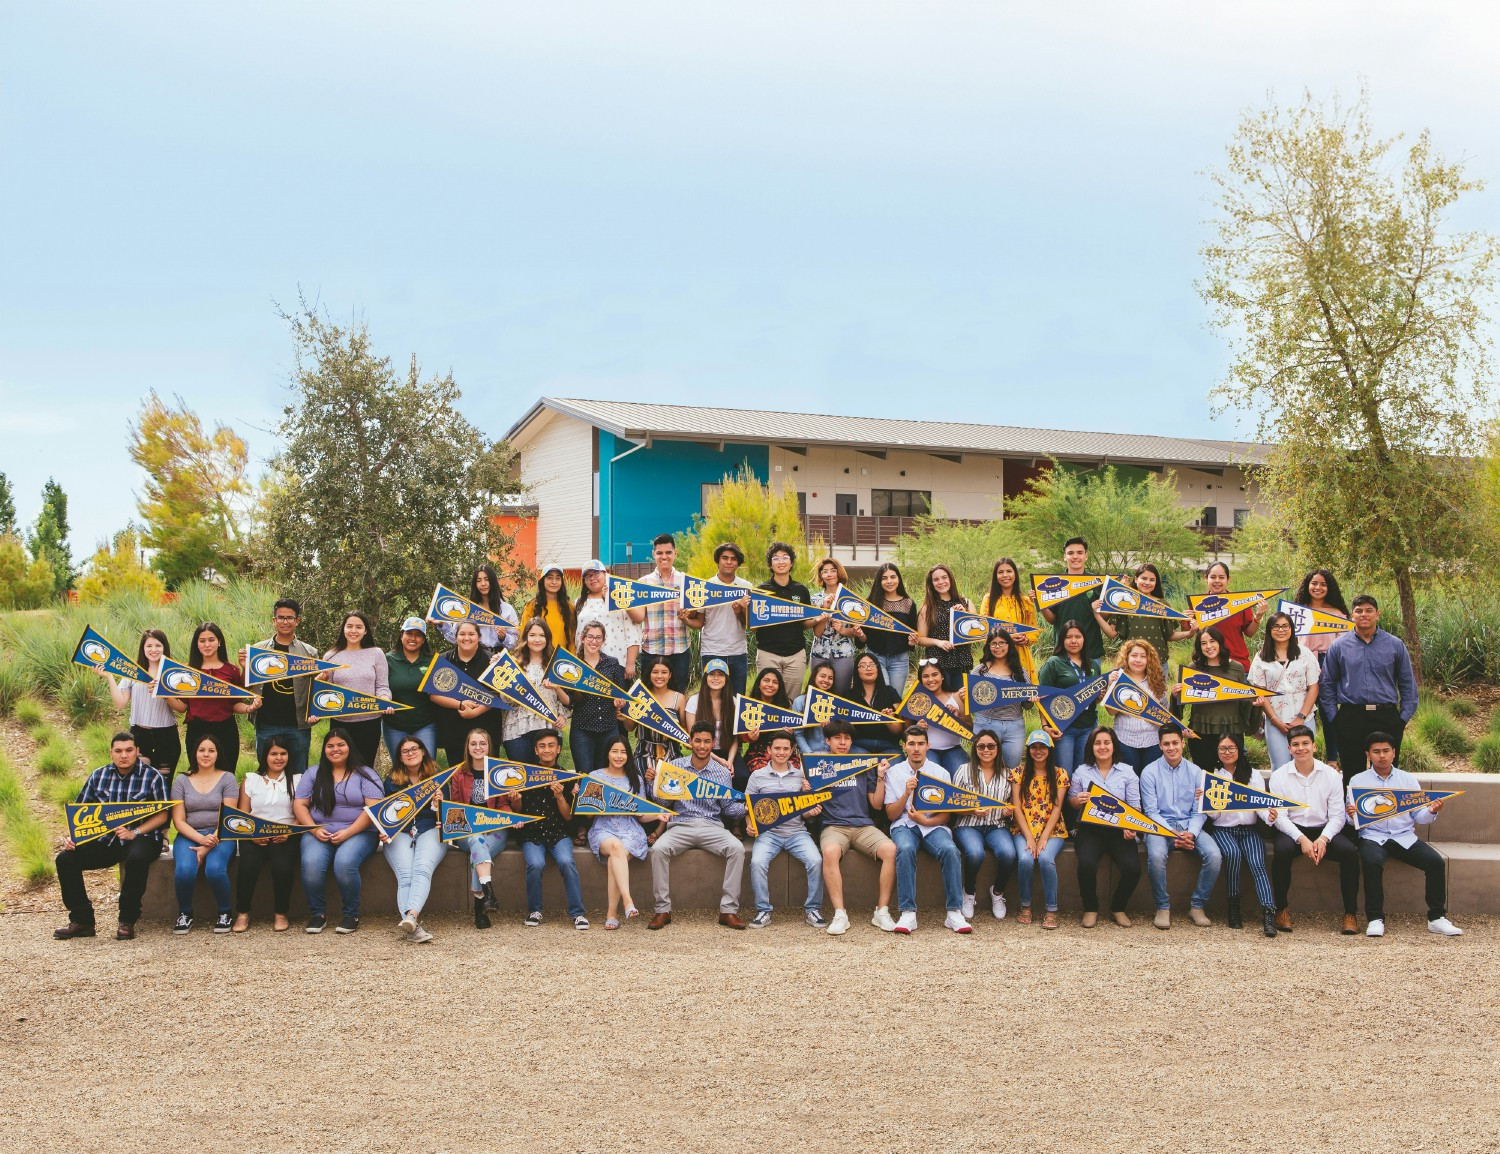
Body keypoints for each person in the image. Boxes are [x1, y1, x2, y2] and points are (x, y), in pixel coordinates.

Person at [53, 732, 170, 941]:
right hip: (108, 840)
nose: (123, 755)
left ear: (137, 751)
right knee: (65, 859)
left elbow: (163, 815)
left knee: (136, 858)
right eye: (118, 751)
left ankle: (127, 920)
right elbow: (80, 812)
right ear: (111, 753)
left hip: (143, 837)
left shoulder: (152, 777)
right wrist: (73, 837)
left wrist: (134, 832)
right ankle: (82, 921)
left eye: (128, 750)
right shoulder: (99, 775)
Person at [1345, 732, 1462, 937]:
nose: (1381, 755)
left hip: (1403, 836)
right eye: (1376, 751)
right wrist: (1350, 814)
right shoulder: (1357, 780)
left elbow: (1419, 816)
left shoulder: (1407, 780)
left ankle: (1436, 918)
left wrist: (1432, 811)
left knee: (1435, 862)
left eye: (1386, 751)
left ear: (1393, 752)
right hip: (1372, 836)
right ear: (1368, 754)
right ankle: (1375, 919)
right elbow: (1351, 821)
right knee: (1372, 862)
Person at [647, 721, 748, 930]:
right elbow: (664, 804)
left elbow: (728, 809)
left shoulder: (721, 773)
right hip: (680, 825)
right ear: (690, 742)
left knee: (737, 849)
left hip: (712, 825)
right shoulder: (674, 767)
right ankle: (662, 910)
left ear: (713, 744)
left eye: (707, 742)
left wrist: (748, 808)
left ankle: (728, 911)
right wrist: (653, 784)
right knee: (657, 850)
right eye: (698, 741)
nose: (702, 746)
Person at [1266, 725, 1361, 934]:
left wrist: (1323, 839)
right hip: (1292, 828)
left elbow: (1337, 816)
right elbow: (1280, 817)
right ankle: (1281, 910)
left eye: (1305, 743)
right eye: (1296, 745)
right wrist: (1302, 839)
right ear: (1289, 749)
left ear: (1314, 746)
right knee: (1281, 852)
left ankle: (1350, 914)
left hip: (1325, 828)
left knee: (1349, 852)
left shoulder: (1332, 775)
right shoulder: (1279, 776)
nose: (1301, 748)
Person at [292, 727, 383, 934]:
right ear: (324, 749)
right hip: (319, 831)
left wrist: (348, 833)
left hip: (359, 832)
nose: (336, 749)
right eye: (330, 746)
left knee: (344, 863)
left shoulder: (366, 774)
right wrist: (314, 830)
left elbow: (373, 810)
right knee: (311, 865)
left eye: (341, 744)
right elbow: (299, 805)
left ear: (349, 747)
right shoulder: (313, 773)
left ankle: (351, 914)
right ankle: (318, 914)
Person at [1320, 594, 1418, 785]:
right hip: (1350, 717)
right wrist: (1335, 718)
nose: (1363, 615)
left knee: (1386, 773)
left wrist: (1401, 719)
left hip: (1386, 716)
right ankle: (1353, 814)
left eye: (1368, 610)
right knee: (1351, 774)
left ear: (1377, 614)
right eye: (1358, 611)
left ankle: (1387, 813)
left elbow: (1407, 685)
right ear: (1351, 616)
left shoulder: (1395, 645)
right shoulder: (1339, 646)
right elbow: (1327, 684)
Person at [883, 726, 970, 933]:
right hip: (904, 824)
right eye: (911, 744)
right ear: (904, 747)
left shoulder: (940, 773)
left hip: (932, 825)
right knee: (904, 848)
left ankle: (954, 913)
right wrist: (906, 793)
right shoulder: (894, 773)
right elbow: (890, 814)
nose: (916, 749)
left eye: (921, 744)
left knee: (950, 850)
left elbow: (946, 816)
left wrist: (926, 821)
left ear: (928, 746)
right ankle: (908, 913)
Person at [816, 720, 898, 935]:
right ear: (828, 741)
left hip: (862, 825)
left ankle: (882, 911)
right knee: (830, 851)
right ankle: (840, 914)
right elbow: (809, 801)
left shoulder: (861, 763)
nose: (843, 743)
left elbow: (877, 804)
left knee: (890, 849)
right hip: (834, 826)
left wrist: (880, 777)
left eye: (847, 738)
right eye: (837, 738)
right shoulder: (819, 764)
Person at [1140, 728, 1222, 929]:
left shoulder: (1196, 772)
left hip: (1189, 825)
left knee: (1214, 855)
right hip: (1160, 827)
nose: (1171, 747)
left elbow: (1199, 810)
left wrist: (1191, 833)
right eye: (1166, 744)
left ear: (1183, 743)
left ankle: (1197, 906)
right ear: (1159, 745)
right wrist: (1172, 832)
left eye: (1175, 743)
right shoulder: (1149, 772)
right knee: (1157, 856)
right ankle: (1162, 907)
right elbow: (1151, 812)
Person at [511, 729, 590, 930]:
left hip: (558, 833)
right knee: (535, 864)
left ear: (558, 749)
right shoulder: (525, 776)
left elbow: (568, 817)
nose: (547, 750)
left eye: (551, 745)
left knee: (566, 861)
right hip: (532, 834)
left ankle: (578, 913)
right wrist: (516, 801)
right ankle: (534, 910)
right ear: (536, 751)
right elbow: (518, 811)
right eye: (542, 746)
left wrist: (560, 797)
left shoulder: (567, 777)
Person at [746, 733, 827, 928]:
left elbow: (805, 812)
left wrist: (811, 810)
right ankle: (763, 911)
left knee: (816, 860)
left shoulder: (802, 776)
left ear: (792, 751)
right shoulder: (757, 776)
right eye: (777, 748)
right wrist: (750, 823)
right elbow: (748, 806)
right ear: (769, 751)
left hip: (796, 832)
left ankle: (813, 910)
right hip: (768, 834)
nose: (781, 752)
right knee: (757, 863)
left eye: (785, 749)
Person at [1203, 735, 1278, 938]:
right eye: (1222, 748)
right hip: (1224, 830)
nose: (1227, 752)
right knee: (1233, 855)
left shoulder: (1253, 775)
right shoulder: (1215, 777)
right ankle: (1233, 906)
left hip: (1249, 830)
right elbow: (1215, 815)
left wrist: (1269, 816)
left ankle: (1269, 912)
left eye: (1231, 748)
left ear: (1240, 749)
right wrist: (1207, 803)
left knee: (1257, 863)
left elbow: (1260, 806)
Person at [1067, 726, 1142, 928]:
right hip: (1090, 829)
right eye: (1097, 743)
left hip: (1120, 830)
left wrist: (1131, 827)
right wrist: (1077, 800)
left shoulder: (1127, 772)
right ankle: (1090, 908)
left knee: (1132, 868)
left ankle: (1118, 907)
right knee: (1087, 864)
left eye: (1106, 742)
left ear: (1113, 745)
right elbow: (1071, 802)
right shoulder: (1081, 771)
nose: (1102, 747)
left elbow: (1135, 806)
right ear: (1091, 747)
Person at [584, 735, 661, 928]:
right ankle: (627, 901)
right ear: (607, 753)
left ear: (628, 755)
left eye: (623, 752)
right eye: (614, 751)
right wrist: (581, 798)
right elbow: (588, 816)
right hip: (603, 829)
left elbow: (641, 816)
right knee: (616, 847)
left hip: (630, 831)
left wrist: (659, 815)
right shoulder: (595, 776)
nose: (619, 756)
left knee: (614, 858)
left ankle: (612, 914)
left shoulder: (635, 780)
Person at [377, 737, 447, 943]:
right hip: (399, 832)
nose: (410, 753)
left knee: (422, 868)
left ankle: (411, 917)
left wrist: (439, 807)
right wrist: (382, 831)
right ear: (399, 757)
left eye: (414, 749)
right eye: (404, 751)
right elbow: (382, 813)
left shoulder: (437, 777)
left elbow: (449, 817)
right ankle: (412, 924)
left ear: (423, 751)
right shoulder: (391, 780)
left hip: (430, 829)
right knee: (406, 875)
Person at [169, 734, 240, 934]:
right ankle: (185, 913)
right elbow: (179, 820)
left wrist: (208, 845)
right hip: (190, 835)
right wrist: (201, 840)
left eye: (211, 750)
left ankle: (225, 912)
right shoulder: (182, 780)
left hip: (222, 834)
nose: (206, 754)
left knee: (215, 869)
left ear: (218, 754)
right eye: (202, 750)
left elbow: (229, 817)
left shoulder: (228, 778)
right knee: (184, 871)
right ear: (195, 753)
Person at [100, 627, 185, 791]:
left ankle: (163, 817)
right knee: (138, 786)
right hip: (139, 735)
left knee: (163, 787)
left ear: (165, 647)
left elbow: (182, 708)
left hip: (166, 736)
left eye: (158, 645)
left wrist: (164, 694)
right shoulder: (133, 671)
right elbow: (121, 703)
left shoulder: (173, 673)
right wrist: (109, 676)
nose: (154, 650)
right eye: (149, 646)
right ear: (143, 648)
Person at [448, 727, 514, 930]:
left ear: (489, 747)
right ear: (467, 747)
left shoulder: (498, 772)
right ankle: (488, 894)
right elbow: (456, 807)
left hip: (495, 829)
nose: (478, 747)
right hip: (467, 831)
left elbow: (502, 804)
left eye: (482, 743)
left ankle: (484, 903)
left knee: (478, 849)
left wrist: (509, 814)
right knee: (477, 839)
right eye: (474, 743)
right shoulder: (459, 774)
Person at [232, 735, 300, 933]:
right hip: (253, 834)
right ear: (265, 756)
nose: (279, 758)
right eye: (273, 754)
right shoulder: (251, 780)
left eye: (283, 753)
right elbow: (243, 814)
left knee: (282, 866)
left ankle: (281, 913)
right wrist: (251, 835)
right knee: (247, 865)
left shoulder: (297, 780)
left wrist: (290, 832)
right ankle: (242, 913)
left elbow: (301, 813)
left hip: (285, 834)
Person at [242, 599, 316, 776]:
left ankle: (297, 805)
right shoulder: (258, 650)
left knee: (299, 775)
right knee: (265, 774)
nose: (285, 622)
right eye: (280, 617)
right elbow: (246, 687)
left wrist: (316, 713)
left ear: (297, 620)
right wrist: (245, 667)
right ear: (274, 620)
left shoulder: (309, 652)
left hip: (298, 725)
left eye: (289, 618)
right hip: (266, 723)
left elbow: (316, 689)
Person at [952, 728, 1016, 924]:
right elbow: (953, 806)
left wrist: (1009, 812)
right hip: (968, 825)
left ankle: (997, 891)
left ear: (998, 748)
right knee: (975, 853)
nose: (986, 750)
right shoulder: (963, 770)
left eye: (990, 746)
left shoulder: (1008, 774)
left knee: (1008, 854)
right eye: (981, 746)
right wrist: (971, 810)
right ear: (975, 748)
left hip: (997, 826)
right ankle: (969, 892)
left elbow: (1014, 805)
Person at [1009, 731, 1069, 928]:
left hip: (1052, 830)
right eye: (1034, 747)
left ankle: (1051, 910)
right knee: (1025, 859)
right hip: (1023, 829)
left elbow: (1058, 807)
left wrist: (1043, 838)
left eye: (1042, 747)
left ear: (1050, 750)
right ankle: (1025, 906)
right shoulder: (1019, 773)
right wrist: (1029, 837)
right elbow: (1016, 806)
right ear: (1028, 749)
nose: (1038, 751)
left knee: (1045, 858)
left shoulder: (1060, 774)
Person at [1249, 612, 1321, 772]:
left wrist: (1301, 717)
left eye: (1285, 626)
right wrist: (1275, 720)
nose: (1280, 630)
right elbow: (1261, 692)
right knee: (1280, 767)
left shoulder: (1304, 653)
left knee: (1305, 764)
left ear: (1291, 629)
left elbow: (1313, 687)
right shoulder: (1261, 657)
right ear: (1269, 630)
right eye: (1276, 626)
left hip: (1304, 718)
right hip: (1275, 720)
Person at [1293, 568, 1350, 768]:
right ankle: (1301, 757)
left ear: (1329, 588)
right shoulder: (1297, 611)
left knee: (1329, 712)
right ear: (1307, 586)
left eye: (1323, 584)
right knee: (1303, 711)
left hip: (1328, 662)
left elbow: (1344, 646)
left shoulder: (1338, 614)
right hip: (1300, 664)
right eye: (1314, 583)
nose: (1318, 587)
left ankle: (1333, 759)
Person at [322, 610, 392, 769]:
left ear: (366, 630)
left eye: (359, 627)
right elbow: (326, 694)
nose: (354, 631)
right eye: (349, 626)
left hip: (370, 723)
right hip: (340, 723)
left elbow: (382, 687)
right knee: (340, 767)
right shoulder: (331, 656)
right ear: (343, 629)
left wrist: (385, 700)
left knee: (365, 768)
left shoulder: (376, 654)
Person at [1176, 625, 1252, 772]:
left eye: (1212, 641)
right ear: (1199, 647)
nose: (1208, 646)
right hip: (1201, 730)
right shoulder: (1193, 668)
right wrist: (1176, 694)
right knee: (1204, 775)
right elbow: (1180, 704)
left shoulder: (1236, 667)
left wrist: (1254, 702)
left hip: (1231, 729)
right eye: (1203, 643)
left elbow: (1244, 702)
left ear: (1220, 643)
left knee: (1234, 775)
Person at [563, 620, 629, 789]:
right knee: (585, 777)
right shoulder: (573, 665)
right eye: (590, 637)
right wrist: (557, 688)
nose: (594, 641)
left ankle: (603, 815)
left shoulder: (612, 663)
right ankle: (585, 815)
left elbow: (621, 694)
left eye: (598, 637)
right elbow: (569, 701)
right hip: (582, 729)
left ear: (604, 640)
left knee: (605, 777)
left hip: (608, 728)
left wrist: (619, 703)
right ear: (582, 638)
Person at [1093, 562, 1194, 669]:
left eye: (1152, 580)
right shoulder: (1125, 603)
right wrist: (1096, 614)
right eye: (1144, 578)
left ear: (1156, 582)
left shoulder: (1162, 604)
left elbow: (1169, 635)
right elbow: (1112, 634)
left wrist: (1189, 632)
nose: (1147, 582)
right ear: (1136, 579)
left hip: (1158, 662)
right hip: (1131, 663)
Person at [183, 621, 254, 772]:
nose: (207, 645)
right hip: (196, 730)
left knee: (226, 775)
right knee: (198, 775)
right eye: (202, 641)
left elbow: (235, 704)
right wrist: (163, 694)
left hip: (225, 730)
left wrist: (250, 708)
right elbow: (182, 707)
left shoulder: (231, 670)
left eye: (211, 640)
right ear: (196, 644)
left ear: (219, 642)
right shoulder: (187, 671)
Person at [427, 620, 498, 766]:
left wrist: (476, 712)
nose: (467, 638)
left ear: (479, 637)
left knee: (487, 775)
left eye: (471, 634)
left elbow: (497, 695)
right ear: (455, 637)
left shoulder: (492, 660)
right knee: (458, 776)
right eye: (462, 634)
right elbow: (433, 695)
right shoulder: (443, 659)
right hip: (454, 731)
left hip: (486, 728)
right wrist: (459, 704)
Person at [500, 618, 571, 763]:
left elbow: (566, 699)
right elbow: (504, 699)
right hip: (518, 730)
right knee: (523, 779)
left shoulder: (557, 664)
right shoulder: (514, 663)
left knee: (545, 778)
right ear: (525, 637)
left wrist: (562, 716)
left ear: (547, 638)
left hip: (549, 728)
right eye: (532, 635)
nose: (537, 639)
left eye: (541, 635)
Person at [687, 542, 752, 693]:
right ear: (718, 561)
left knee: (736, 699)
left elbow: (750, 625)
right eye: (725, 558)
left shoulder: (746, 587)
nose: (729, 562)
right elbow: (699, 622)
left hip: (738, 651)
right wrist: (686, 618)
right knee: (711, 698)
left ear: (738, 563)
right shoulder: (705, 587)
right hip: (712, 650)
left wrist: (740, 611)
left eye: (733, 559)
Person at [1036, 621, 1100, 771]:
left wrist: (1100, 696)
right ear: (1061, 640)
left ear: (1084, 639)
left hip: (1088, 726)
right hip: (1063, 729)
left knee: (1082, 775)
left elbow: (1095, 697)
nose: (1073, 641)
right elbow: (1042, 697)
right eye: (1068, 637)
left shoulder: (1093, 665)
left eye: (1078, 636)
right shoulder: (1053, 663)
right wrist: (1045, 726)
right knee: (1064, 775)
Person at [753, 540, 815, 690]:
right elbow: (754, 627)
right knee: (768, 697)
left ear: (791, 562)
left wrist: (818, 619)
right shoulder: (761, 590)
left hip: (795, 654)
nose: (781, 561)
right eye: (776, 558)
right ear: (770, 564)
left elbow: (804, 623)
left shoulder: (801, 590)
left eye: (785, 557)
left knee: (791, 702)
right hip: (768, 653)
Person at [1103, 639, 1170, 772]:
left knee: (1149, 782)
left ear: (1149, 660)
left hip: (1153, 741)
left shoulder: (1156, 682)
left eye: (1143, 656)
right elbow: (1111, 712)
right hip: (1125, 740)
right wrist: (1112, 686)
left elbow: (1165, 712)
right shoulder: (1118, 680)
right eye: (1134, 655)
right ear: (1126, 658)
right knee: (1129, 782)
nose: (1138, 660)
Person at [638, 533, 692, 692]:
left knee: (678, 694)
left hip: (679, 648)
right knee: (649, 697)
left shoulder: (686, 581)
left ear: (675, 553)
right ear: (653, 554)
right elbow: (639, 616)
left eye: (668, 552)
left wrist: (688, 615)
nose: (664, 556)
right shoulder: (644, 583)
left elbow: (696, 614)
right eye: (660, 553)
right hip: (651, 649)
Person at [575, 559, 642, 683]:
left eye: (596, 574)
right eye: (588, 576)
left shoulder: (618, 597)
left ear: (605, 574)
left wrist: (630, 663)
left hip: (616, 663)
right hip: (585, 664)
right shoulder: (579, 602)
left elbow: (632, 630)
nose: (592, 578)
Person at [970, 627, 1028, 770]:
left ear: (1009, 645)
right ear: (988, 646)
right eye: (994, 643)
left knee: (1012, 770)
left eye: (1002, 643)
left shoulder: (1020, 671)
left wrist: (1030, 699)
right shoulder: (980, 670)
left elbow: (1027, 706)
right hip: (986, 723)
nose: (998, 647)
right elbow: (970, 702)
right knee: (983, 768)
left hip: (1014, 726)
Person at [1039, 537, 1103, 663]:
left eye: (1080, 553)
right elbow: (1052, 620)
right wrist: (1041, 603)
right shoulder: (1054, 584)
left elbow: (1103, 618)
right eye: (1070, 553)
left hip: (1091, 651)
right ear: (1064, 557)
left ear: (1086, 556)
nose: (1075, 556)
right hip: (1062, 652)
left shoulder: (1097, 582)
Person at [385, 617, 438, 762]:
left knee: (428, 768)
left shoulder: (433, 660)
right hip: (394, 726)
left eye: (418, 634)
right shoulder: (387, 660)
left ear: (424, 639)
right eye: (409, 633)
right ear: (401, 635)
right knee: (400, 770)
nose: (413, 638)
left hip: (425, 725)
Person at [979, 557, 1040, 682]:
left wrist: (1026, 639)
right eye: (1000, 572)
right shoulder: (989, 599)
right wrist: (1007, 639)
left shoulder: (1026, 601)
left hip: (1020, 656)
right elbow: (983, 631)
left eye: (1009, 571)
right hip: (995, 655)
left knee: (1024, 697)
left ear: (1015, 574)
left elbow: (1034, 632)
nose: (1005, 575)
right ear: (995, 576)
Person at [915, 564, 974, 692]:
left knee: (962, 705)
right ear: (931, 584)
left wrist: (964, 615)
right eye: (936, 580)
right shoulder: (927, 608)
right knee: (942, 705)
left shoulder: (967, 603)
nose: (941, 582)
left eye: (944, 577)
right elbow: (920, 639)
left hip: (961, 662)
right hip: (938, 665)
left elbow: (975, 634)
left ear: (950, 579)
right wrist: (938, 642)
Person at [735, 667, 799, 783]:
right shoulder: (749, 705)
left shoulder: (787, 705)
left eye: (775, 682)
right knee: (763, 773)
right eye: (766, 680)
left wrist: (790, 733)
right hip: (758, 752)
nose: (770, 685)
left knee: (794, 772)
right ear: (759, 684)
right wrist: (749, 737)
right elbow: (741, 737)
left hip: (782, 751)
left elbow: (796, 734)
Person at [436, 563, 519, 652]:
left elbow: (515, 643)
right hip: (473, 657)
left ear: (493, 581)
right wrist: (442, 624)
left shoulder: (507, 609)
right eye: (478, 580)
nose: (483, 584)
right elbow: (455, 638)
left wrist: (504, 637)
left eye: (486, 579)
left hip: (497, 659)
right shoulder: (467, 609)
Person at [864, 561, 919, 693]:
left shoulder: (908, 604)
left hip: (899, 660)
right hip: (875, 657)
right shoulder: (870, 604)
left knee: (895, 699)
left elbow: (912, 633)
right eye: (884, 578)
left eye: (893, 577)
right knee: (882, 695)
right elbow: (863, 637)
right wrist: (859, 635)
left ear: (898, 579)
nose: (889, 581)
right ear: (879, 581)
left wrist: (912, 641)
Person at [630, 654, 689, 778]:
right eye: (655, 672)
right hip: (644, 754)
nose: (659, 676)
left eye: (664, 672)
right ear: (650, 674)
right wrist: (623, 714)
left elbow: (684, 730)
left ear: (670, 675)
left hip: (672, 755)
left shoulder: (679, 698)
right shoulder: (640, 696)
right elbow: (630, 727)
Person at [909, 657, 970, 775]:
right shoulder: (915, 700)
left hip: (954, 748)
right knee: (930, 778)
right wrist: (917, 728)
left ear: (942, 676)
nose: (931, 679)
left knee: (960, 776)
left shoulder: (957, 697)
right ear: (921, 680)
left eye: (935, 674)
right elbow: (906, 732)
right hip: (927, 750)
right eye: (925, 676)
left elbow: (969, 730)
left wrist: (957, 719)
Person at [810, 555, 862, 692]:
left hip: (843, 654)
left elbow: (854, 631)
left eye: (833, 570)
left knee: (841, 693)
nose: (829, 574)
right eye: (825, 571)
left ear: (839, 573)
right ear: (821, 576)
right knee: (818, 693)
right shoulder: (815, 600)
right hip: (819, 653)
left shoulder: (851, 599)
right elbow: (817, 633)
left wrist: (843, 631)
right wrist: (825, 608)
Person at [1201, 561, 1265, 669]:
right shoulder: (1197, 603)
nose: (1217, 581)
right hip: (1207, 665)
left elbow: (1249, 633)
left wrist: (1258, 616)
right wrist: (1185, 620)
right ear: (1206, 578)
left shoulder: (1239, 602)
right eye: (1213, 577)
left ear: (1228, 579)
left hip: (1237, 665)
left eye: (1221, 577)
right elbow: (1188, 632)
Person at [685, 659, 739, 768]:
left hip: (728, 752)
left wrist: (729, 761)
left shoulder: (734, 702)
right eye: (712, 674)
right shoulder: (694, 701)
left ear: (726, 679)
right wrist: (719, 760)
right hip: (702, 751)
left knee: (741, 776)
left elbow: (735, 738)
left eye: (720, 675)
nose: (716, 678)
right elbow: (693, 737)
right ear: (706, 678)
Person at [846, 653, 904, 756]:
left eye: (872, 665)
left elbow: (900, 729)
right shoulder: (848, 696)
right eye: (863, 666)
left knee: (895, 769)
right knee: (864, 770)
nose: (868, 669)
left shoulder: (890, 692)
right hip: (859, 745)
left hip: (889, 745)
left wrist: (889, 721)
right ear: (857, 670)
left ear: (878, 668)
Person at [520, 564, 576, 651]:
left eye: (558, 578)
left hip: (561, 661)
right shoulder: (531, 606)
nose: (554, 582)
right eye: (550, 578)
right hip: (538, 659)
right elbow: (523, 635)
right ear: (543, 581)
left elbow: (572, 638)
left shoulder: (569, 607)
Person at [792, 663, 838, 756]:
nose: (826, 680)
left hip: (832, 753)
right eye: (822, 676)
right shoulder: (800, 701)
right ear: (814, 677)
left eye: (830, 678)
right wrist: (810, 755)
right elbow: (798, 734)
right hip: (809, 753)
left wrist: (831, 726)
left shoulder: (837, 702)